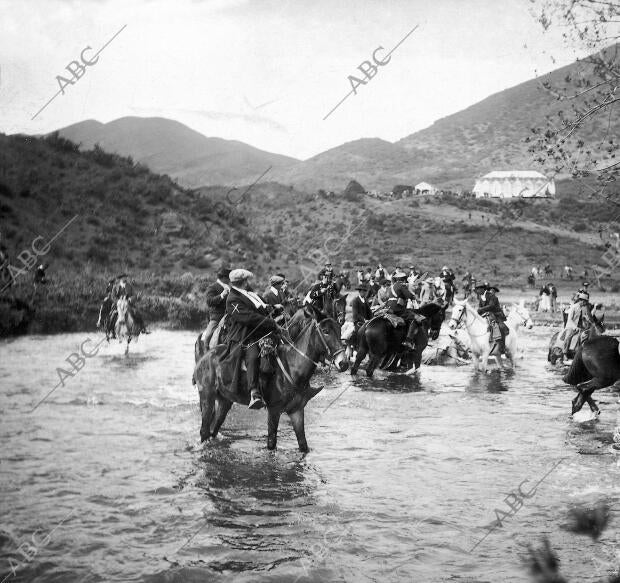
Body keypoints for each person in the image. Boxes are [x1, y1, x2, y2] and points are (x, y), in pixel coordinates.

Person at [226, 269, 279, 410]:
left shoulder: (248, 294)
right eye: (246, 281)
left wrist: (271, 309)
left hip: (259, 331)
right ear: (243, 282)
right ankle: (254, 392)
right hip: (243, 336)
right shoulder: (232, 299)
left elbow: (260, 308)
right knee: (253, 355)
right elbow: (248, 317)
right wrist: (270, 323)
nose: (247, 283)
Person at [384, 269, 421, 350]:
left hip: (388, 307)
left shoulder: (391, 286)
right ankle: (408, 340)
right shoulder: (401, 286)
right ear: (403, 279)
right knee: (414, 318)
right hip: (397, 308)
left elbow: (387, 297)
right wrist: (414, 296)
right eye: (405, 279)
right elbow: (408, 295)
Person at [201, 266, 231, 350]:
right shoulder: (212, 287)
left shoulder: (230, 288)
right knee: (208, 335)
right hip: (217, 317)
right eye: (228, 278)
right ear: (223, 278)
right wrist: (221, 295)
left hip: (230, 316)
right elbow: (209, 302)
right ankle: (206, 351)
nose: (230, 280)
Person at [477, 282, 509, 352]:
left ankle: (502, 346)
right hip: (487, 314)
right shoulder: (480, 296)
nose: (477, 291)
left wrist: (481, 309)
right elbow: (480, 306)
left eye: (478, 289)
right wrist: (477, 312)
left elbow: (491, 306)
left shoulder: (492, 296)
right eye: (476, 289)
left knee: (500, 327)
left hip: (496, 314)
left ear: (482, 289)